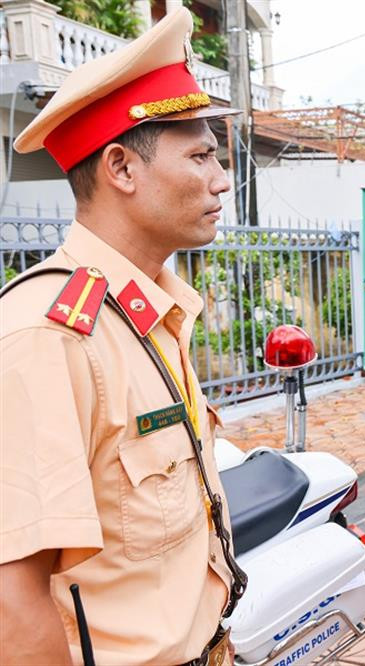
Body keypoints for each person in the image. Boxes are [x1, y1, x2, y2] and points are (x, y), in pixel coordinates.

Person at [0, 9, 246, 665]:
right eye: (200, 156)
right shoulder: (48, 337)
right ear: (121, 168)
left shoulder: (149, 313)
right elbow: (14, 607)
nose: (222, 180)